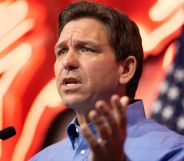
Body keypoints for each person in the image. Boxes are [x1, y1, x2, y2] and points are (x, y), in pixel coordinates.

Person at [30, 1, 184, 161]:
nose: (67, 61)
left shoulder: (173, 152)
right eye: (61, 51)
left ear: (125, 69)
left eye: (86, 49)